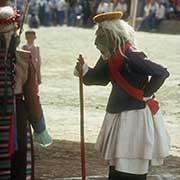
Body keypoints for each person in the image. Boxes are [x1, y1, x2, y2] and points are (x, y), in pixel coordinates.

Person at [74, 11, 170, 180]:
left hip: (135, 117)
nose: (96, 43)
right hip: (119, 115)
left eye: (101, 37)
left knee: (132, 162)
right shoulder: (110, 57)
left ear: (112, 36)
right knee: (118, 164)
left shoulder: (132, 55)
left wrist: (146, 94)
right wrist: (84, 70)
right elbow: (99, 78)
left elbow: (161, 72)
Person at [0, 6, 52, 180]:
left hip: (16, 120)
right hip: (17, 120)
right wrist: (40, 128)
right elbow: (32, 97)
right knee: (18, 169)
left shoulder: (24, 57)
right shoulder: (24, 57)